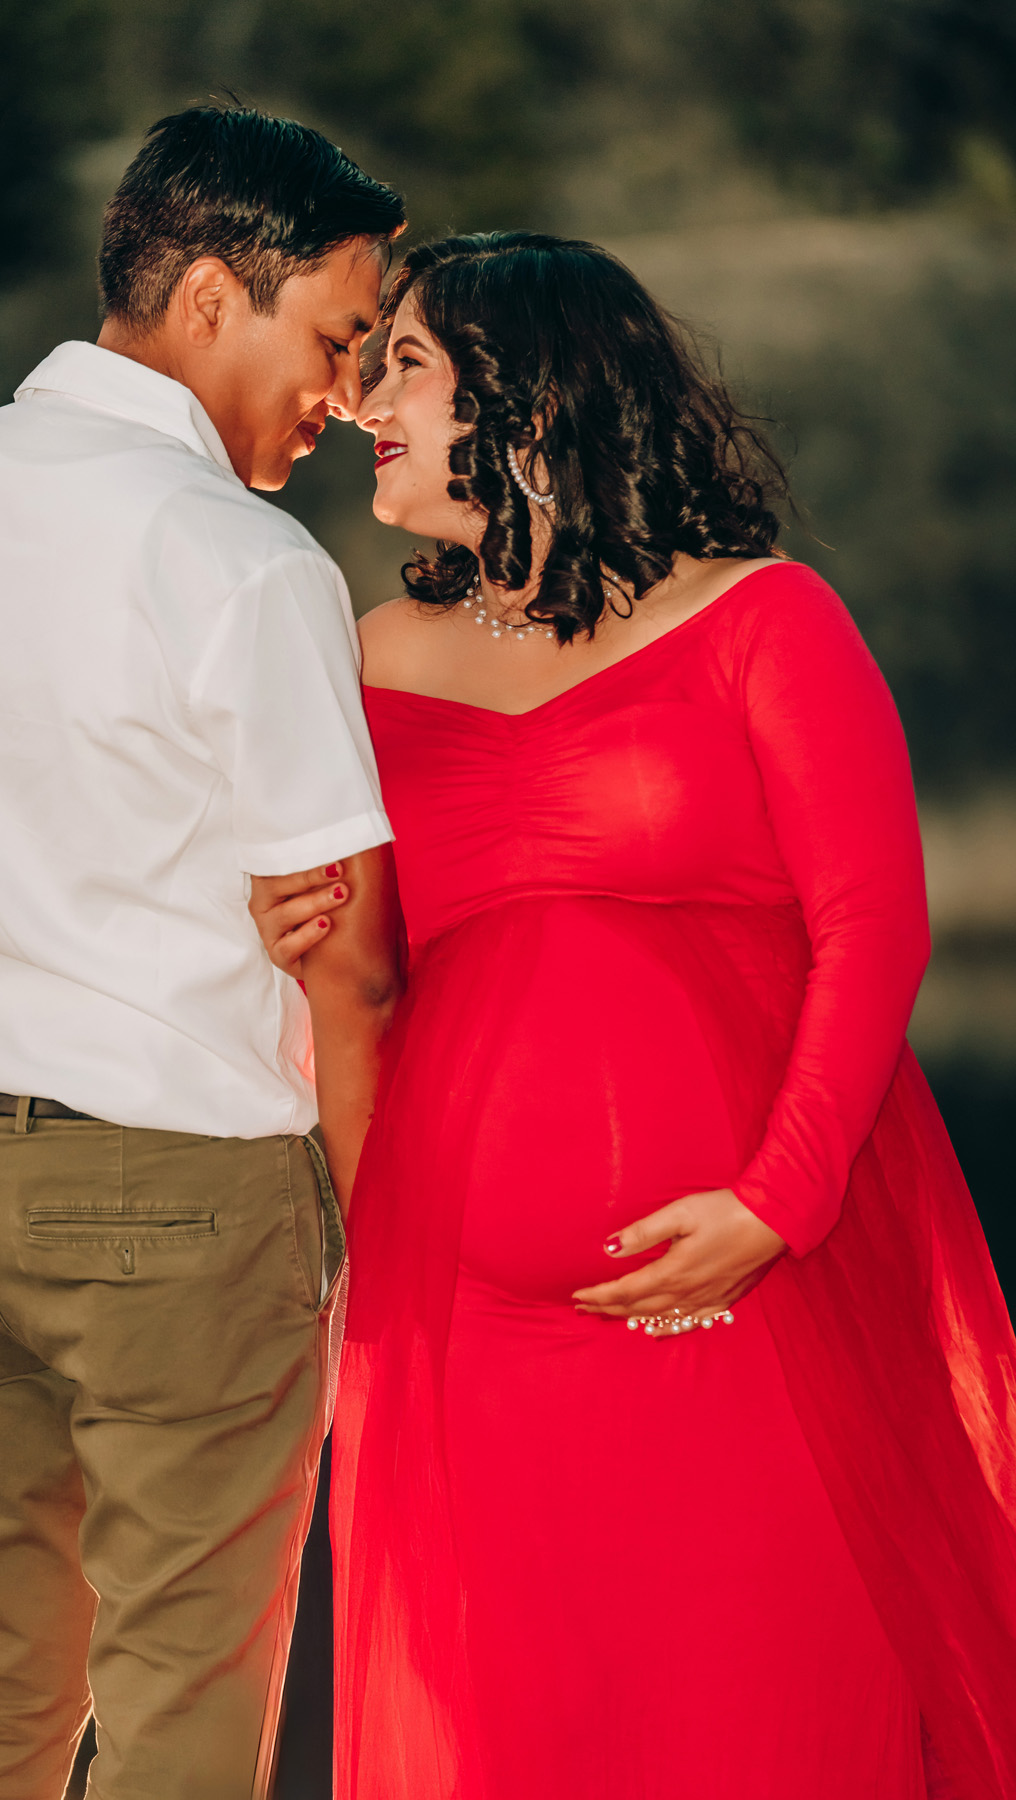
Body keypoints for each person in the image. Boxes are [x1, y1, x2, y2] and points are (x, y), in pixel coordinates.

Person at [251, 232, 1016, 1800]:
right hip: (470, 1328)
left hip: (747, 1291)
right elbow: (357, 972)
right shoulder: (367, 659)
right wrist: (275, 932)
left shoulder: (765, 617)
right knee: (523, 1736)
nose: (363, 404)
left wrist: (776, 1202)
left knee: (766, 1717)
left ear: (530, 399)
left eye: (407, 366)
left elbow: (873, 926)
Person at [0, 106, 406, 1800]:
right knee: (184, 1705)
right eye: (339, 337)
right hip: (185, 1189)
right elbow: (353, 963)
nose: (349, 395)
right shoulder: (239, 558)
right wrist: (374, 1248)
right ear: (212, 294)